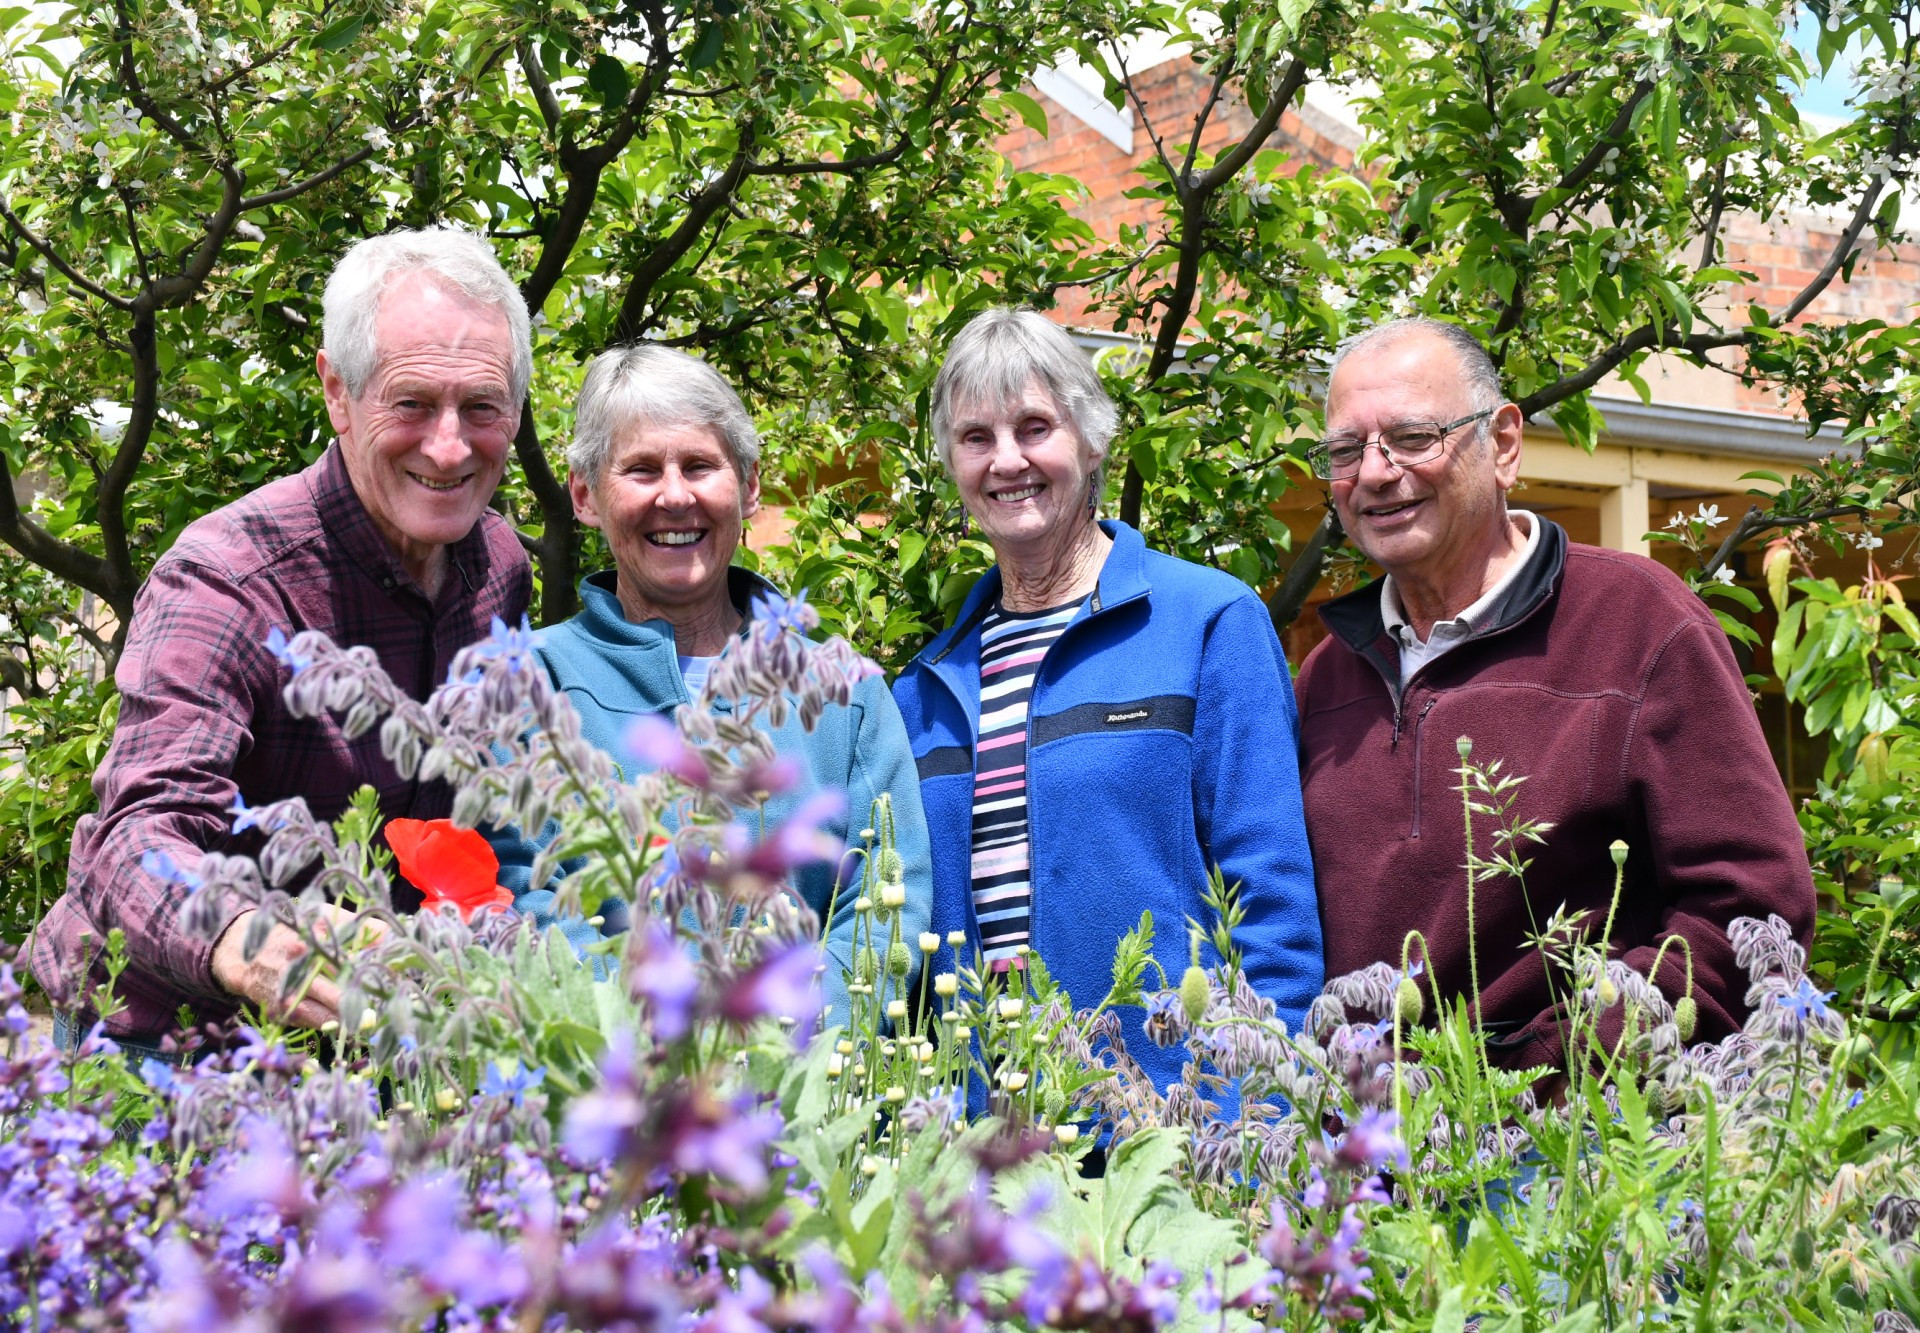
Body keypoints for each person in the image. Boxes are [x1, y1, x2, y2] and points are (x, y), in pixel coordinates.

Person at [31, 227, 536, 1052]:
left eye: (481, 407)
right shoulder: (227, 577)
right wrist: (245, 939)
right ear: (338, 393)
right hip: (163, 1039)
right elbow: (138, 835)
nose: (450, 447)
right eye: (410, 403)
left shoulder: (499, 565)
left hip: (368, 1040)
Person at [1293, 317, 1816, 1072]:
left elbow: (1752, 904)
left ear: (1504, 444)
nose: (1375, 473)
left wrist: (1575, 1069)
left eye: (1412, 437)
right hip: (1361, 1150)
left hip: (1568, 1150)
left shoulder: (1638, 624)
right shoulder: (1330, 673)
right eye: (1346, 451)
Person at [893, 307, 1323, 1095]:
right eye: (975, 438)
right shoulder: (925, 688)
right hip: (986, 1144)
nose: (1007, 460)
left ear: (1091, 440)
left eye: (1034, 427)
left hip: (1173, 1131)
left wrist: (1261, 1120)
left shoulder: (1207, 624)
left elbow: (1274, 907)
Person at [489, 344, 931, 1032]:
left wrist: (791, 1066)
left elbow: (884, 903)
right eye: (640, 469)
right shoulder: (532, 681)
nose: (674, 495)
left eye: (700, 465)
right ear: (584, 496)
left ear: (749, 486)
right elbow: (528, 900)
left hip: (807, 1114)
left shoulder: (846, 695)